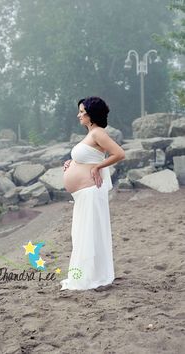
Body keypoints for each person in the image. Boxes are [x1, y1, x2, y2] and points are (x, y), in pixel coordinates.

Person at [60, 96, 125, 291]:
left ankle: (91, 277)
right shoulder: (91, 134)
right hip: (83, 194)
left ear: (91, 115)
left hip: (90, 191)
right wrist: (72, 163)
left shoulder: (98, 133)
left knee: (89, 234)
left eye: (82, 112)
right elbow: (89, 156)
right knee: (83, 234)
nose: (79, 115)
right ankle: (88, 275)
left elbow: (119, 154)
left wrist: (98, 167)